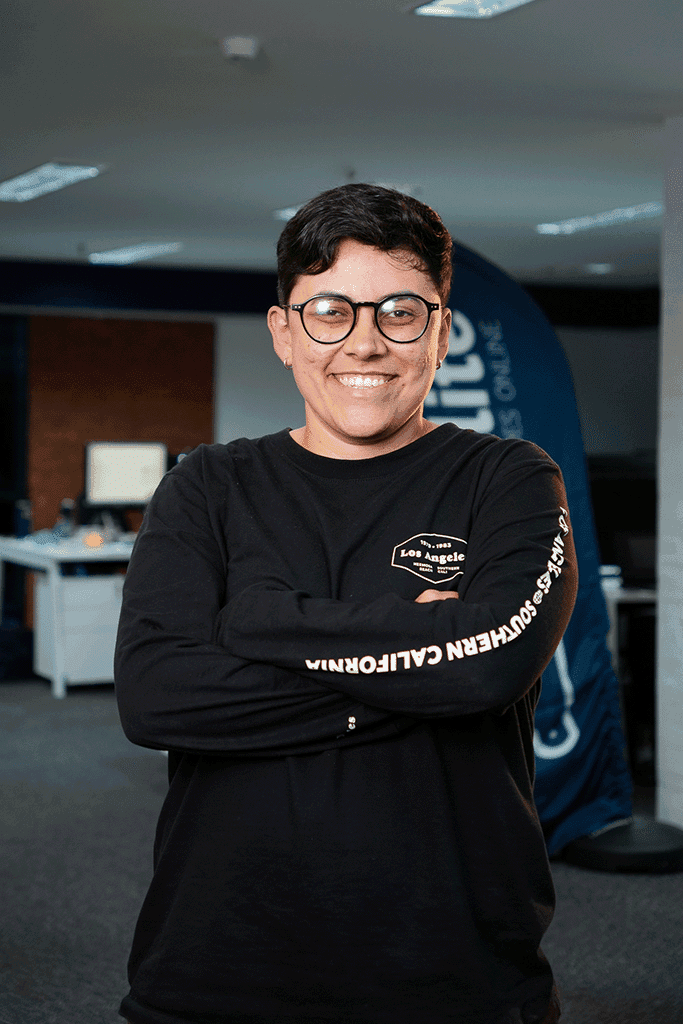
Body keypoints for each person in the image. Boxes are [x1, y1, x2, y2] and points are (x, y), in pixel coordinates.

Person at [115, 183, 577, 1024]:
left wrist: (257, 621)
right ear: (284, 331)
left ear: (440, 330)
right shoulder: (206, 486)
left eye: (400, 312)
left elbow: (491, 666)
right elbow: (155, 695)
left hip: (451, 970)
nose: (365, 342)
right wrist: (420, 662)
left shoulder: (508, 480)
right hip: (217, 963)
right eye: (330, 311)